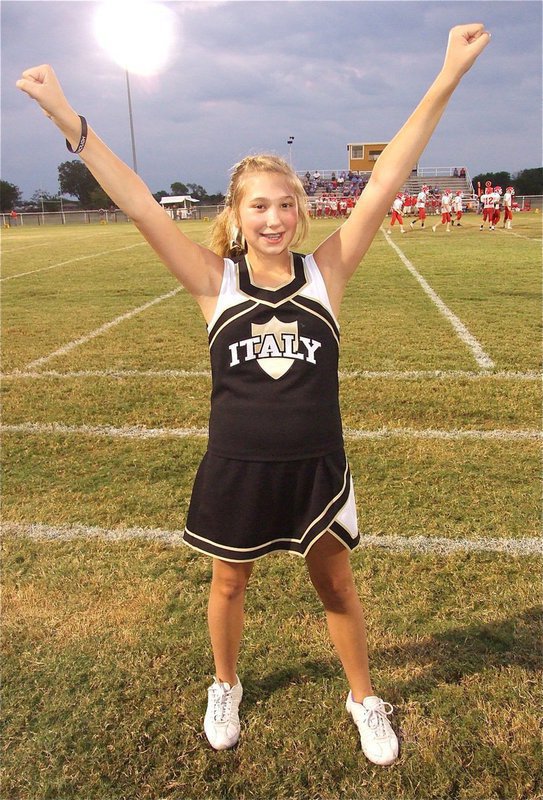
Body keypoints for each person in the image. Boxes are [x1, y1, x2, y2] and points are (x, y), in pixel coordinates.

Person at [16, 22, 490, 767]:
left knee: (337, 587)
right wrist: (66, 119)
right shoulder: (216, 283)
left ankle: (363, 697)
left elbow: (387, 179)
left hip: (316, 468)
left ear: (301, 210)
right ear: (235, 217)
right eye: (258, 207)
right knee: (228, 585)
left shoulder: (326, 275)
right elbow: (140, 204)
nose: (273, 219)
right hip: (236, 466)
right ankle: (226, 684)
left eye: (285, 205)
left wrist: (447, 75)